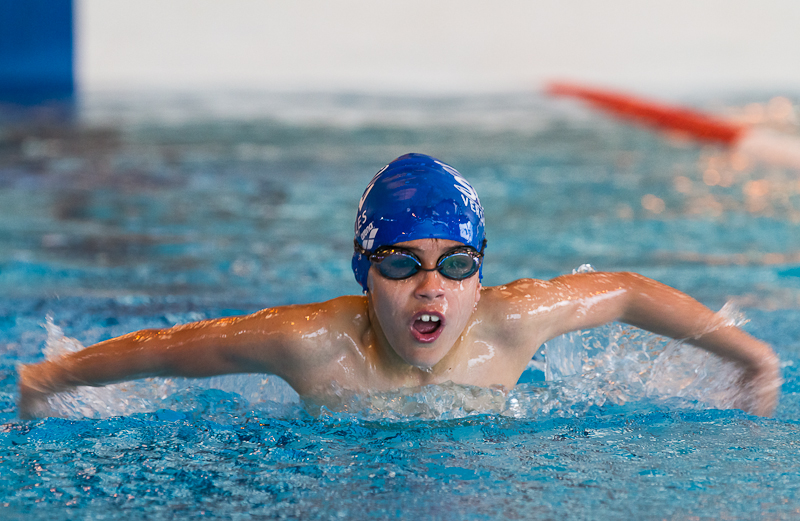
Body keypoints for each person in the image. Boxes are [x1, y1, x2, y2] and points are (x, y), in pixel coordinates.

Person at [17, 153, 781, 418]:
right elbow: (171, 347)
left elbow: (624, 290)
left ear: (480, 274)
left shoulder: (511, 323)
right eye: (401, 262)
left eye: (456, 264)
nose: (431, 287)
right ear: (364, 272)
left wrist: (751, 357)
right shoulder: (311, 342)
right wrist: (50, 376)